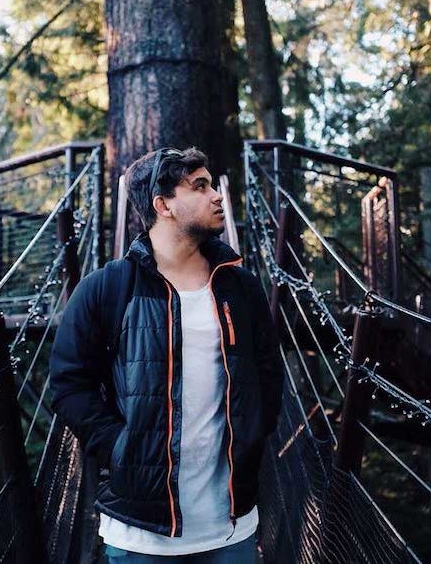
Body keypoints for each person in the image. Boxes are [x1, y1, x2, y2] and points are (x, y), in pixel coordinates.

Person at [49, 147, 284, 563]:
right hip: (141, 535)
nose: (217, 196)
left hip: (232, 527)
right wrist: (120, 446)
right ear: (163, 206)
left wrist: (253, 434)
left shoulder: (242, 287)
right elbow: (69, 385)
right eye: (200, 186)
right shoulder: (107, 288)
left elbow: (268, 374)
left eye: (212, 185)